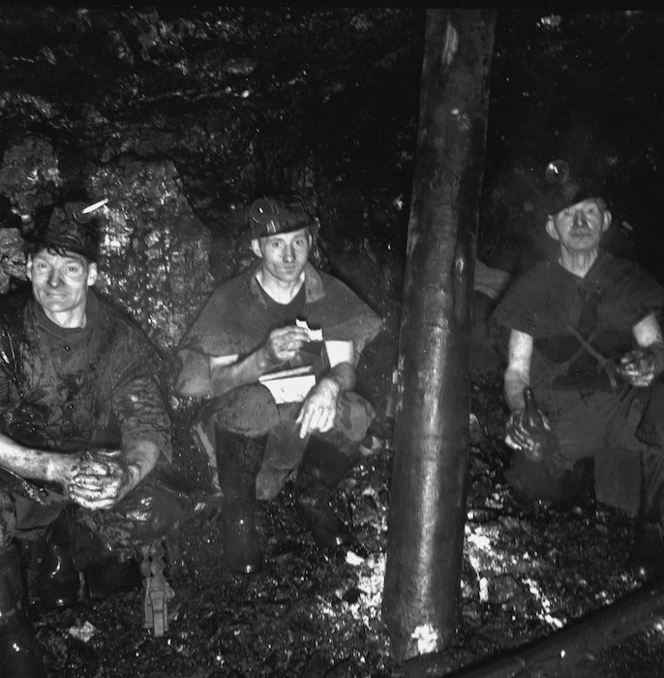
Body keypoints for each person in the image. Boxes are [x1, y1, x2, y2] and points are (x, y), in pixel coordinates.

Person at [0, 199, 197, 676]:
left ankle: (65, 547)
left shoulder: (118, 338)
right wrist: (50, 467)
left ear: (91, 275)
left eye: (69, 269)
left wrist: (127, 474)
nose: (54, 283)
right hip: (17, 478)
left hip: (92, 475)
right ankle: (10, 626)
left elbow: (146, 424)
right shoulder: (6, 332)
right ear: (27, 268)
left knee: (156, 505)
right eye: (43, 267)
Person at [175, 196, 382, 575]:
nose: (289, 256)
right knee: (253, 402)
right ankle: (239, 517)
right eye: (276, 245)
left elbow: (344, 368)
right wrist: (264, 357)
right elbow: (219, 383)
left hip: (299, 424)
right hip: (244, 428)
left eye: (298, 242)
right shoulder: (230, 299)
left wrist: (330, 387)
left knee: (352, 412)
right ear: (257, 247)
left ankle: (313, 495)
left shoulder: (328, 293)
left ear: (310, 243)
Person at [491, 160, 664, 579]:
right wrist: (519, 412)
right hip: (561, 414)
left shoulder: (626, 279)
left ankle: (656, 529)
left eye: (588, 211)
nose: (579, 221)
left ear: (605, 220)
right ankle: (576, 478)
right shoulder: (532, 287)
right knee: (529, 486)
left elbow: (656, 344)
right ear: (553, 229)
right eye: (568, 214)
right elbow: (517, 372)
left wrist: (651, 362)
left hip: (622, 406)